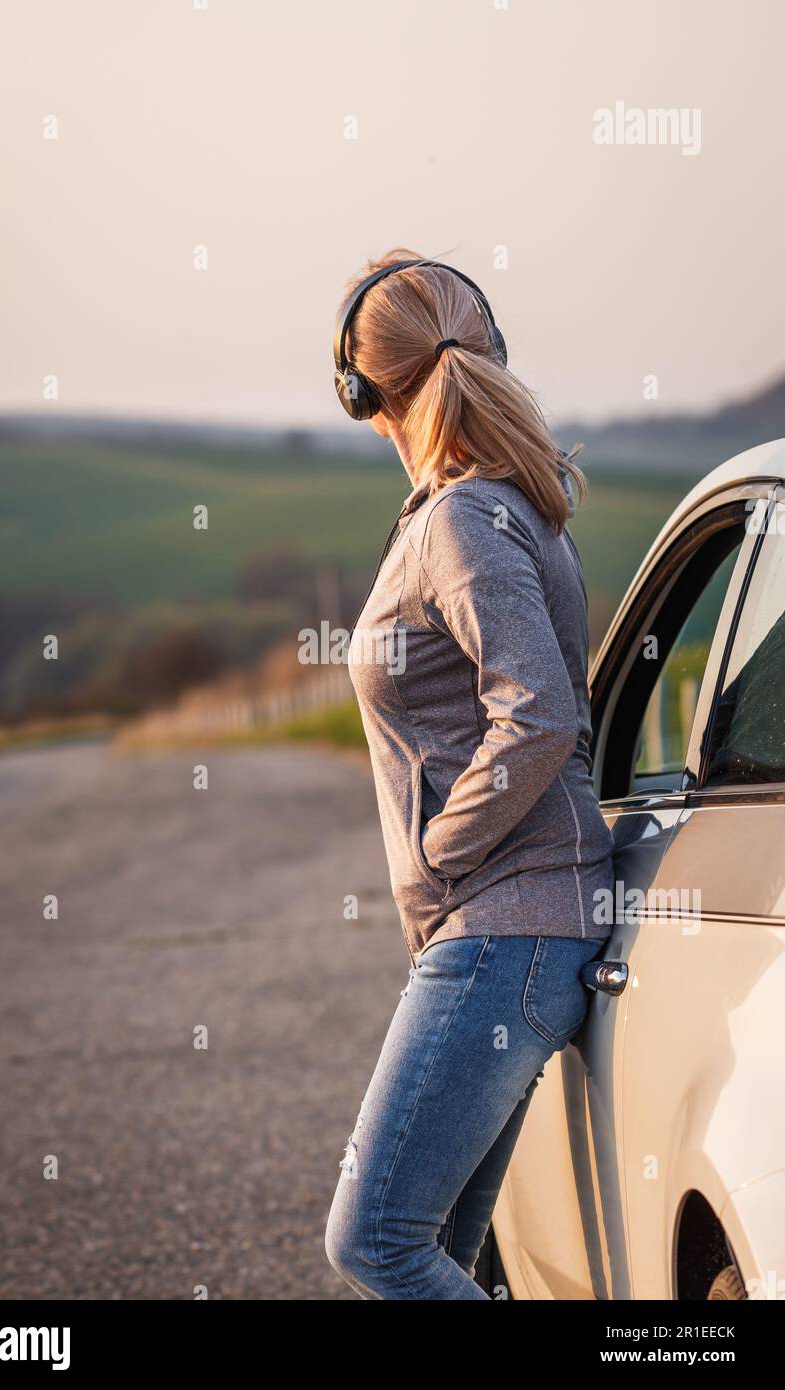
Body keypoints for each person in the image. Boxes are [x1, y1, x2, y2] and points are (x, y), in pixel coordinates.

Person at [324, 251, 615, 1299]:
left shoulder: (460, 519)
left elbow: (537, 714)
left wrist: (440, 853)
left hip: (502, 926)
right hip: (508, 926)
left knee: (375, 1242)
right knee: (445, 1249)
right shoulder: (495, 507)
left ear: (360, 394)